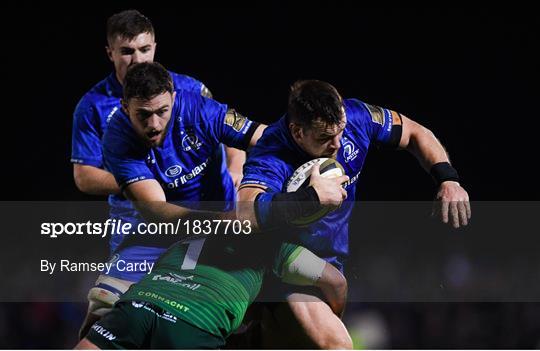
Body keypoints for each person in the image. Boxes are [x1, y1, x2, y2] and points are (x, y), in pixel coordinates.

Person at [237, 79, 471, 348]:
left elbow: (416, 133)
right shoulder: (272, 151)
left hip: (332, 260)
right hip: (286, 266)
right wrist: (311, 198)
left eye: (341, 132)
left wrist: (447, 178)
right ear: (297, 132)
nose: (337, 144)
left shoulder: (357, 116)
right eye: (325, 138)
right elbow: (244, 213)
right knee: (337, 345)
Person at [71, 10, 246, 337]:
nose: (137, 59)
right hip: (137, 222)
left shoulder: (187, 89)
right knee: (105, 306)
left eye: (144, 49)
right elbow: (84, 176)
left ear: (155, 47)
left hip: (201, 217)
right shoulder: (92, 106)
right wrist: (142, 184)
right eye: (126, 51)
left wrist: (236, 173)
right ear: (110, 52)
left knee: (197, 313)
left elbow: (232, 135)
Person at [74, 236, 347, 349]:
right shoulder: (275, 247)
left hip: (138, 306)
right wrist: (337, 313)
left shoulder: (189, 236)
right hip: (195, 324)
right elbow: (336, 283)